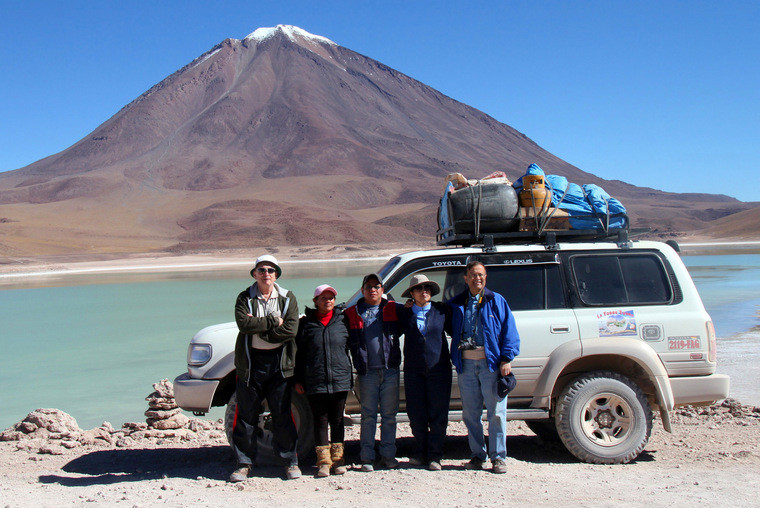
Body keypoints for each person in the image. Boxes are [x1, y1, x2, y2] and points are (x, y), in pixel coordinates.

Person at [229, 254, 301, 482]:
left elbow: (290, 330)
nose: (266, 273)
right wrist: (272, 321)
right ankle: (243, 463)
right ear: (254, 274)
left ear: (276, 274)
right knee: (246, 416)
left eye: (270, 270)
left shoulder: (287, 298)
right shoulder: (245, 297)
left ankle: (290, 462)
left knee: (282, 414)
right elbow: (243, 324)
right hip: (251, 365)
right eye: (261, 270)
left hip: (279, 365)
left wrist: (259, 328)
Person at [447, 260, 520, 474]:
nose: (477, 278)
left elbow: (509, 330)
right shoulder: (457, 303)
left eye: (481, 274)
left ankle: (499, 457)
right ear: (466, 277)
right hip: (466, 364)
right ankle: (478, 455)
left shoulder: (496, 301)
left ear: (485, 277)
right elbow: (441, 320)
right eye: (473, 274)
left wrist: (506, 359)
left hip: (491, 365)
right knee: (470, 414)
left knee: (496, 412)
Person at [384, 274, 452, 471]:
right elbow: (386, 308)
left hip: (439, 370)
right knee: (417, 413)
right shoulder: (404, 313)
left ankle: (435, 456)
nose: (424, 292)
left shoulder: (441, 311)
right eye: (420, 289)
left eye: (427, 289)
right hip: (414, 371)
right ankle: (420, 452)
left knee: (438, 413)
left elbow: (457, 330)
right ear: (412, 294)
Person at [294, 284, 353, 478]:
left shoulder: (343, 321)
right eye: (323, 298)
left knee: (337, 420)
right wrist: (298, 379)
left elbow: (352, 346)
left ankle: (338, 460)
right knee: (320, 420)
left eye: (331, 297)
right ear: (315, 301)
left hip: (339, 378)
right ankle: (323, 462)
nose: (327, 301)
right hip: (315, 379)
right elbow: (299, 355)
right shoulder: (306, 324)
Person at [346, 273, 401, 472]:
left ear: (382, 290)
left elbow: (416, 313)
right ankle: (366, 457)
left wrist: (412, 303)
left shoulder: (394, 309)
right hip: (366, 372)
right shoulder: (352, 313)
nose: (372, 290)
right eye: (368, 286)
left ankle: (388, 455)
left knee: (389, 415)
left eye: (376, 286)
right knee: (368, 416)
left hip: (390, 371)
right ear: (362, 290)